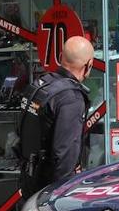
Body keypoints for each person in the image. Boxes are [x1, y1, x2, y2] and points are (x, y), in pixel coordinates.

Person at [15, 36, 93, 198]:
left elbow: (20, 131)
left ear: (60, 57)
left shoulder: (39, 85)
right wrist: (61, 198)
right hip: (49, 191)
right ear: (88, 65)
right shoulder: (70, 98)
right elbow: (65, 155)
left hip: (29, 181)